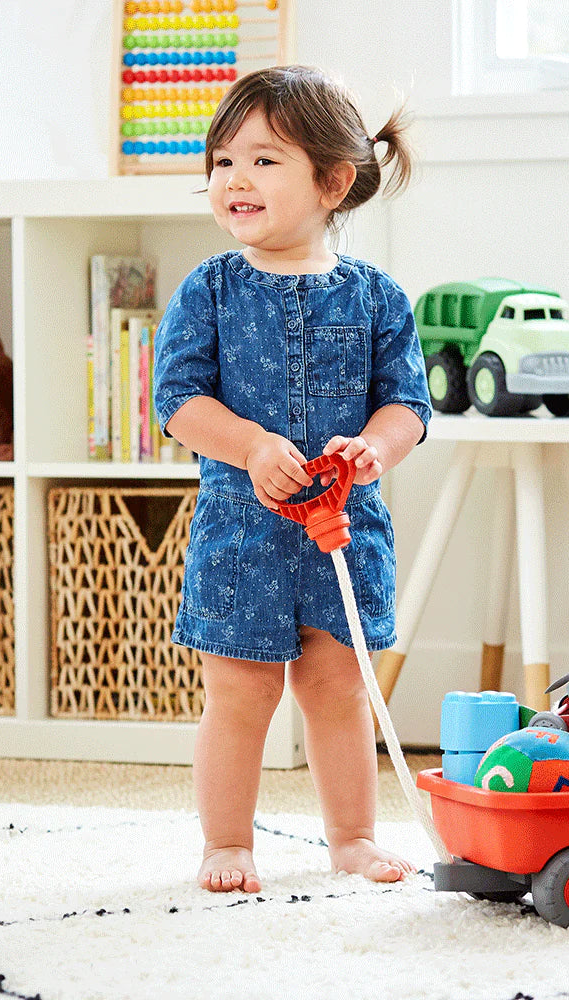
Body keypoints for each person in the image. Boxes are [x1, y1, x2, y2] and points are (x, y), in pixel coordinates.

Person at [152, 65, 432, 893]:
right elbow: (178, 401)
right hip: (241, 534)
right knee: (239, 695)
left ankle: (352, 837)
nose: (234, 179)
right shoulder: (209, 289)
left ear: (332, 182)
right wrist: (248, 446)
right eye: (222, 161)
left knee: (339, 692)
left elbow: (407, 405)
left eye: (264, 160)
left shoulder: (377, 296)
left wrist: (374, 449)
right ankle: (226, 843)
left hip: (345, 532)